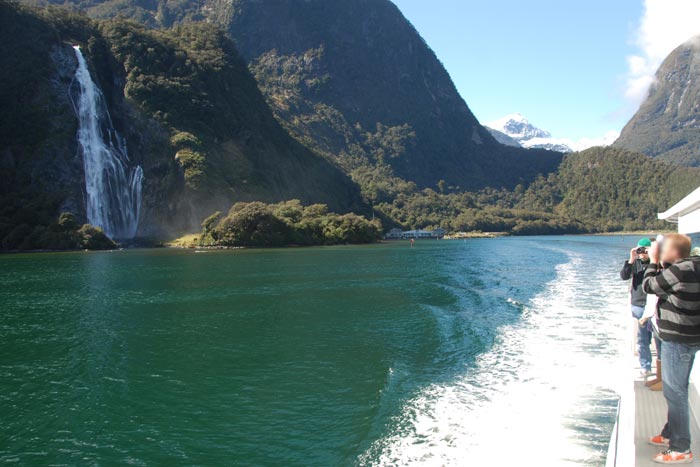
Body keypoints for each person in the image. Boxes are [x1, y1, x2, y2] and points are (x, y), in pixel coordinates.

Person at [643, 233, 700, 464]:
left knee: (674, 393)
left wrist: (653, 262)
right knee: (677, 390)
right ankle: (669, 434)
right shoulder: (692, 266)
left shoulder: (678, 271)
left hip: (677, 340)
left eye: (663, 248)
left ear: (674, 252)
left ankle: (680, 448)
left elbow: (649, 286)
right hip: (689, 337)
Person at [621, 238, 654, 376]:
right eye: (640, 249)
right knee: (643, 338)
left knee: (656, 336)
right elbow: (624, 276)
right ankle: (646, 367)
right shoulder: (635, 263)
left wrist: (653, 257)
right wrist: (631, 258)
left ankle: (663, 368)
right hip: (639, 304)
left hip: (654, 304)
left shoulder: (657, 263)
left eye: (644, 250)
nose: (642, 253)